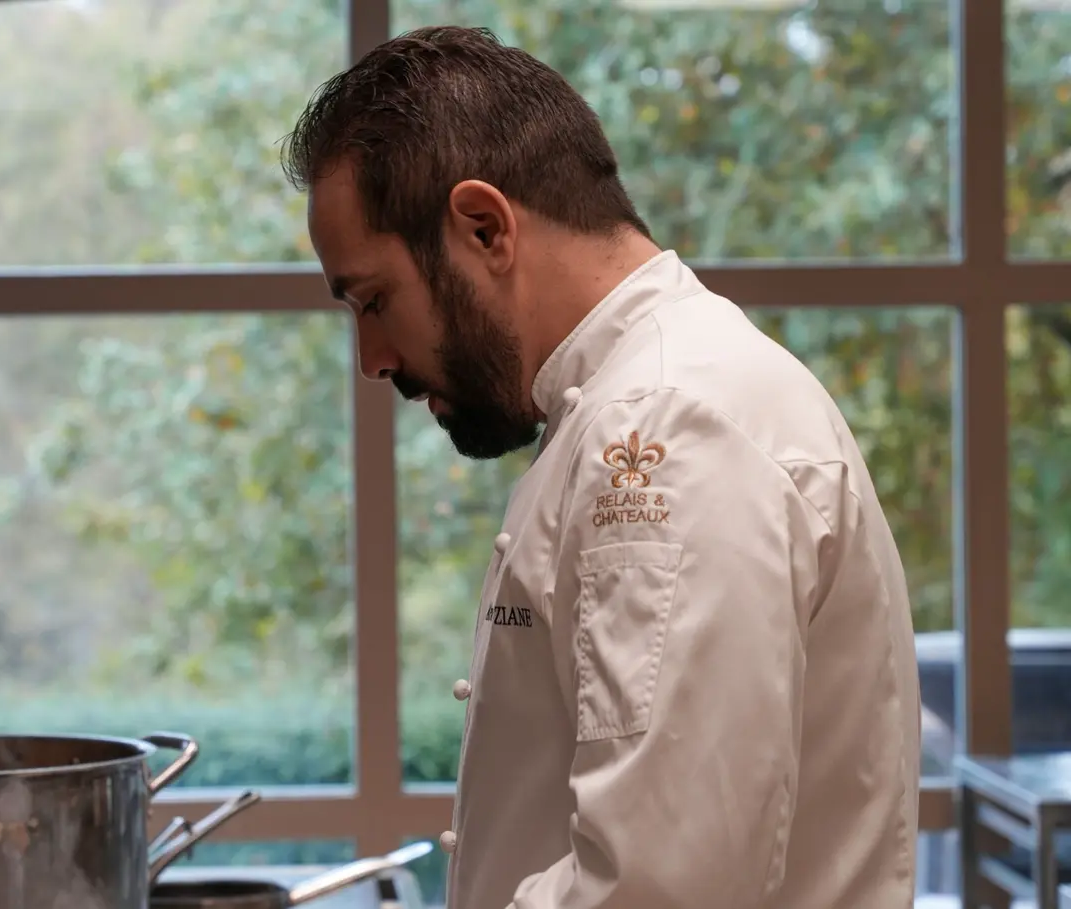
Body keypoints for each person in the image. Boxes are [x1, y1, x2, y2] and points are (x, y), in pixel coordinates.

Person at [283, 25, 922, 909]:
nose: (373, 359)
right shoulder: (640, 403)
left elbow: (663, 886)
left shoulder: (666, 425)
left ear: (484, 227)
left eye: (374, 300)